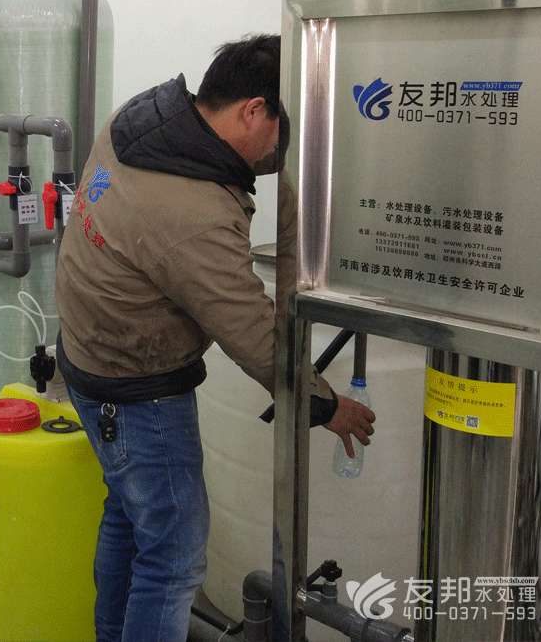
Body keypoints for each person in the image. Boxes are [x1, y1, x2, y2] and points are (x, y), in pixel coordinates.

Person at [55, 34, 376, 642]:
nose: (283, 147)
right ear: (253, 109)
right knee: (174, 558)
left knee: (130, 517)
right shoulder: (193, 212)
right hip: (137, 390)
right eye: (284, 129)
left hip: (88, 353)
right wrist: (324, 404)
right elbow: (252, 335)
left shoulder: (144, 119)